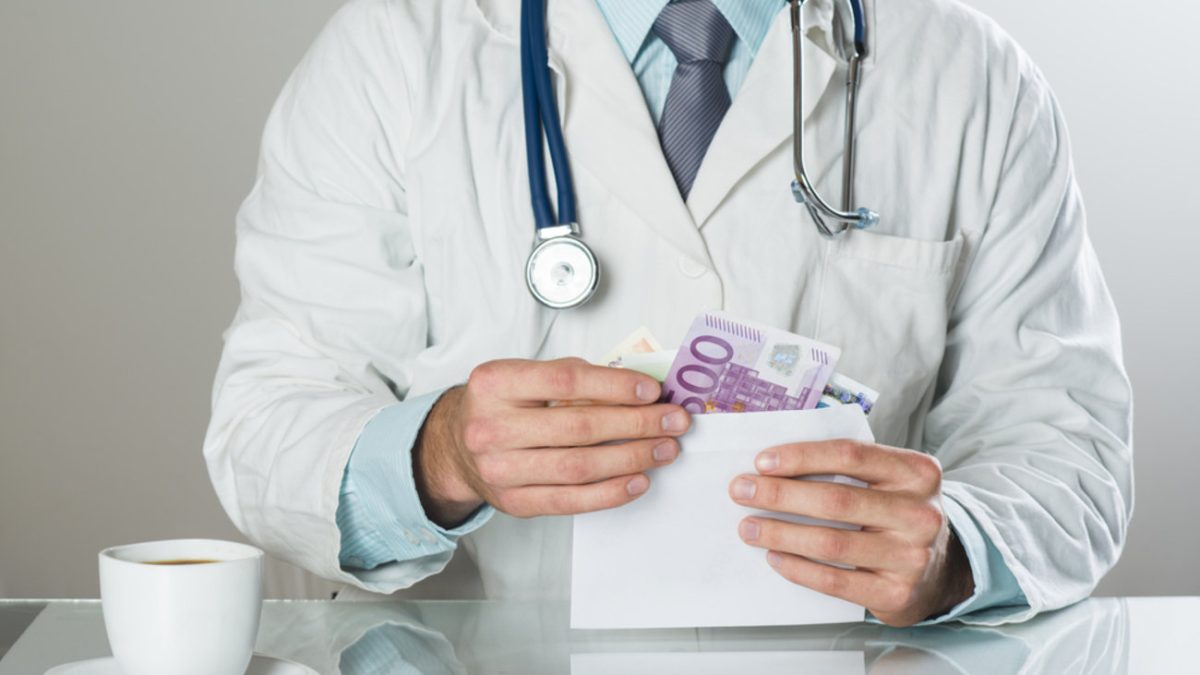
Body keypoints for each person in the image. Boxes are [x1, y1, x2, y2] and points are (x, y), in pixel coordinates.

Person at [204, 0, 1132, 627]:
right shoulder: (393, 52)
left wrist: (954, 551)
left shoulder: (974, 80)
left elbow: (1067, 450)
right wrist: (439, 455)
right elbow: (266, 422)